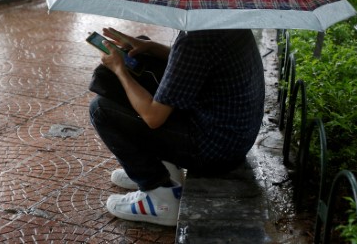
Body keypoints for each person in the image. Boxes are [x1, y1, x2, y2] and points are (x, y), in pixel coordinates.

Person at [89, 27, 265, 227]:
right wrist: (150, 46)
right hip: (235, 139)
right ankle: (164, 170)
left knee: (101, 109)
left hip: (212, 150)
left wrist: (119, 69)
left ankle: (161, 196)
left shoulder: (194, 38)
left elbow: (152, 116)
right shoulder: (224, 20)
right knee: (159, 81)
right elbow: (192, 60)